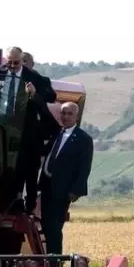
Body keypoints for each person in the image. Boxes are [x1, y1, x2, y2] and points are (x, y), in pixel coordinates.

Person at [1, 47, 59, 212]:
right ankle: (9, 202)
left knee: (29, 172)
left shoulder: (34, 78)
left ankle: (29, 205)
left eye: (16, 63)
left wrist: (35, 94)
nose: (12, 66)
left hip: (27, 134)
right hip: (3, 131)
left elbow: (51, 96)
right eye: (9, 62)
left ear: (22, 61)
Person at [38, 102, 93, 255]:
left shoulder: (83, 139)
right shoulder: (56, 133)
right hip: (47, 185)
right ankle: (48, 258)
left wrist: (75, 190)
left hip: (63, 189)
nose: (66, 117)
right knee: (45, 223)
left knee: (55, 226)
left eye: (70, 114)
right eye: (63, 113)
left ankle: (55, 260)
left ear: (76, 116)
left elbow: (84, 167)